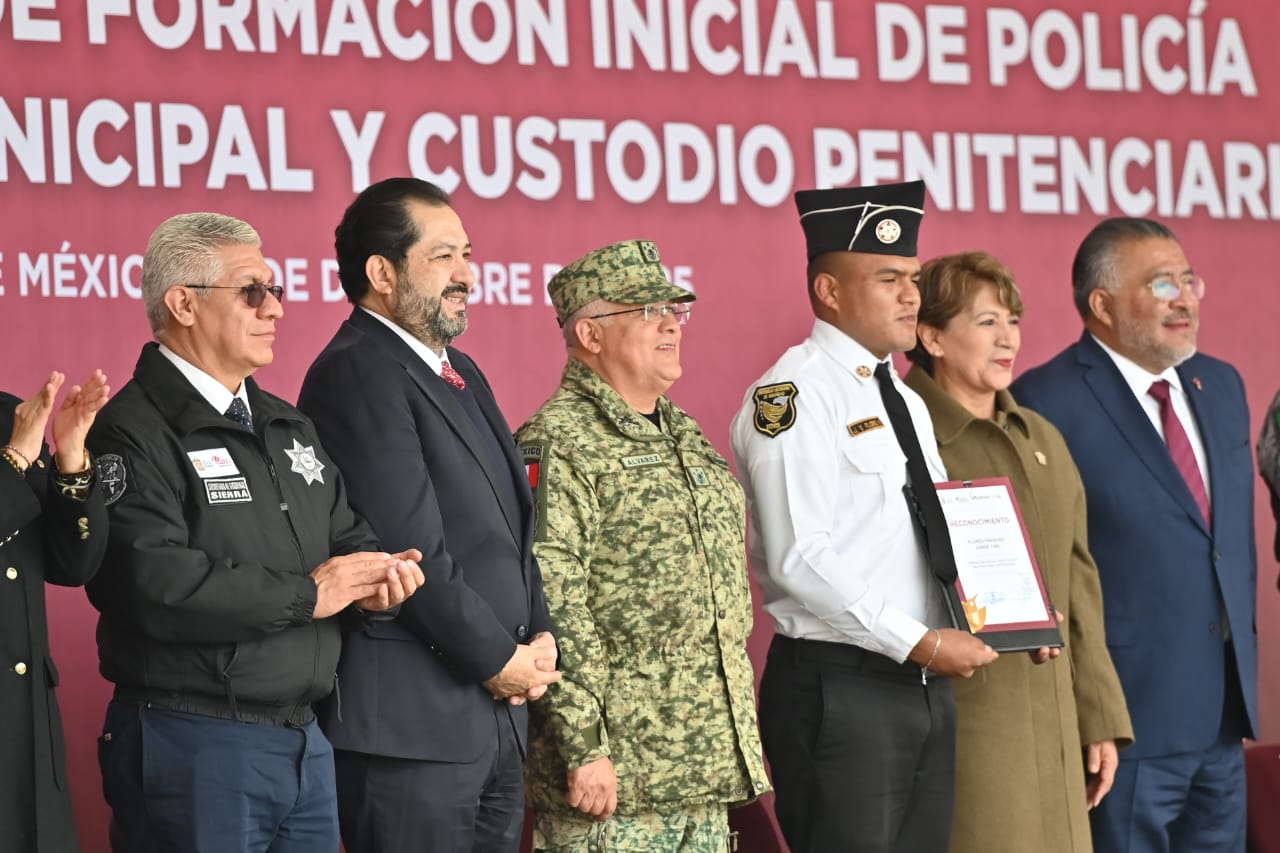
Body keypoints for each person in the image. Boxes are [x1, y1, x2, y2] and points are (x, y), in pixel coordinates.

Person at [87, 212, 425, 853]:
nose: (274, 308)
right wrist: (310, 595)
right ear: (183, 304)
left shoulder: (285, 422)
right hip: (194, 740)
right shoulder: (131, 430)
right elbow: (153, 581)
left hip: (304, 740)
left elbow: (347, 535)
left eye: (275, 289)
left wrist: (374, 582)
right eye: (251, 291)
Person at [730, 180, 998, 853]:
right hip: (842, 687)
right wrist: (921, 641)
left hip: (923, 685)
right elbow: (800, 557)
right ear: (829, 291)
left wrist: (1007, 616)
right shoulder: (791, 394)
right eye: (888, 279)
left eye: (913, 278)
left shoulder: (903, 397)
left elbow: (931, 531)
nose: (912, 295)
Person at [298, 177, 559, 853]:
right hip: (412, 733)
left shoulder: (459, 369)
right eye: (443, 257)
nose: (466, 275)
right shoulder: (357, 370)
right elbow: (409, 550)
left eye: (466, 255)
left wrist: (539, 637)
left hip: (494, 719)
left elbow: (513, 534)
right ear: (382, 273)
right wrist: (499, 657)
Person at [515, 240, 770, 852]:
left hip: (702, 771)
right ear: (590, 334)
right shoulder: (557, 441)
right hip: (615, 783)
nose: (670, 324)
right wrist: (584, 744)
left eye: (674, 310)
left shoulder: (683, 433)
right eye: (646, 311)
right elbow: (553, 599)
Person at [1013, 217, 1257, 853]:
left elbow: (1223, 545)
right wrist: (1088, 708)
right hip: (1125, 721)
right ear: (1102, 305)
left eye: (1188, 280)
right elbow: (1045, 565)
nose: (1185, 298)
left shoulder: (1221, 385)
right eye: (1162, 284)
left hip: (1223, 713)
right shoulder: (1044, 401)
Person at [902, 250, 1134, 853]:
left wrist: (1100, 717)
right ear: (931, 336)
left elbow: (1079, 583)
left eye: (1013, 320)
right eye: (986, 322)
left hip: (1056, 719)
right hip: (967, 718)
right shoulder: (902, 438)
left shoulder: (1041, 436)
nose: (1008, 339)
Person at [1, 368, 109, 853]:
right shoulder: (17, 436)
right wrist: (14, 460)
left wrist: (70, 459)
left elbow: (72, 564)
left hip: (26, 731)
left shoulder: (10, 415)